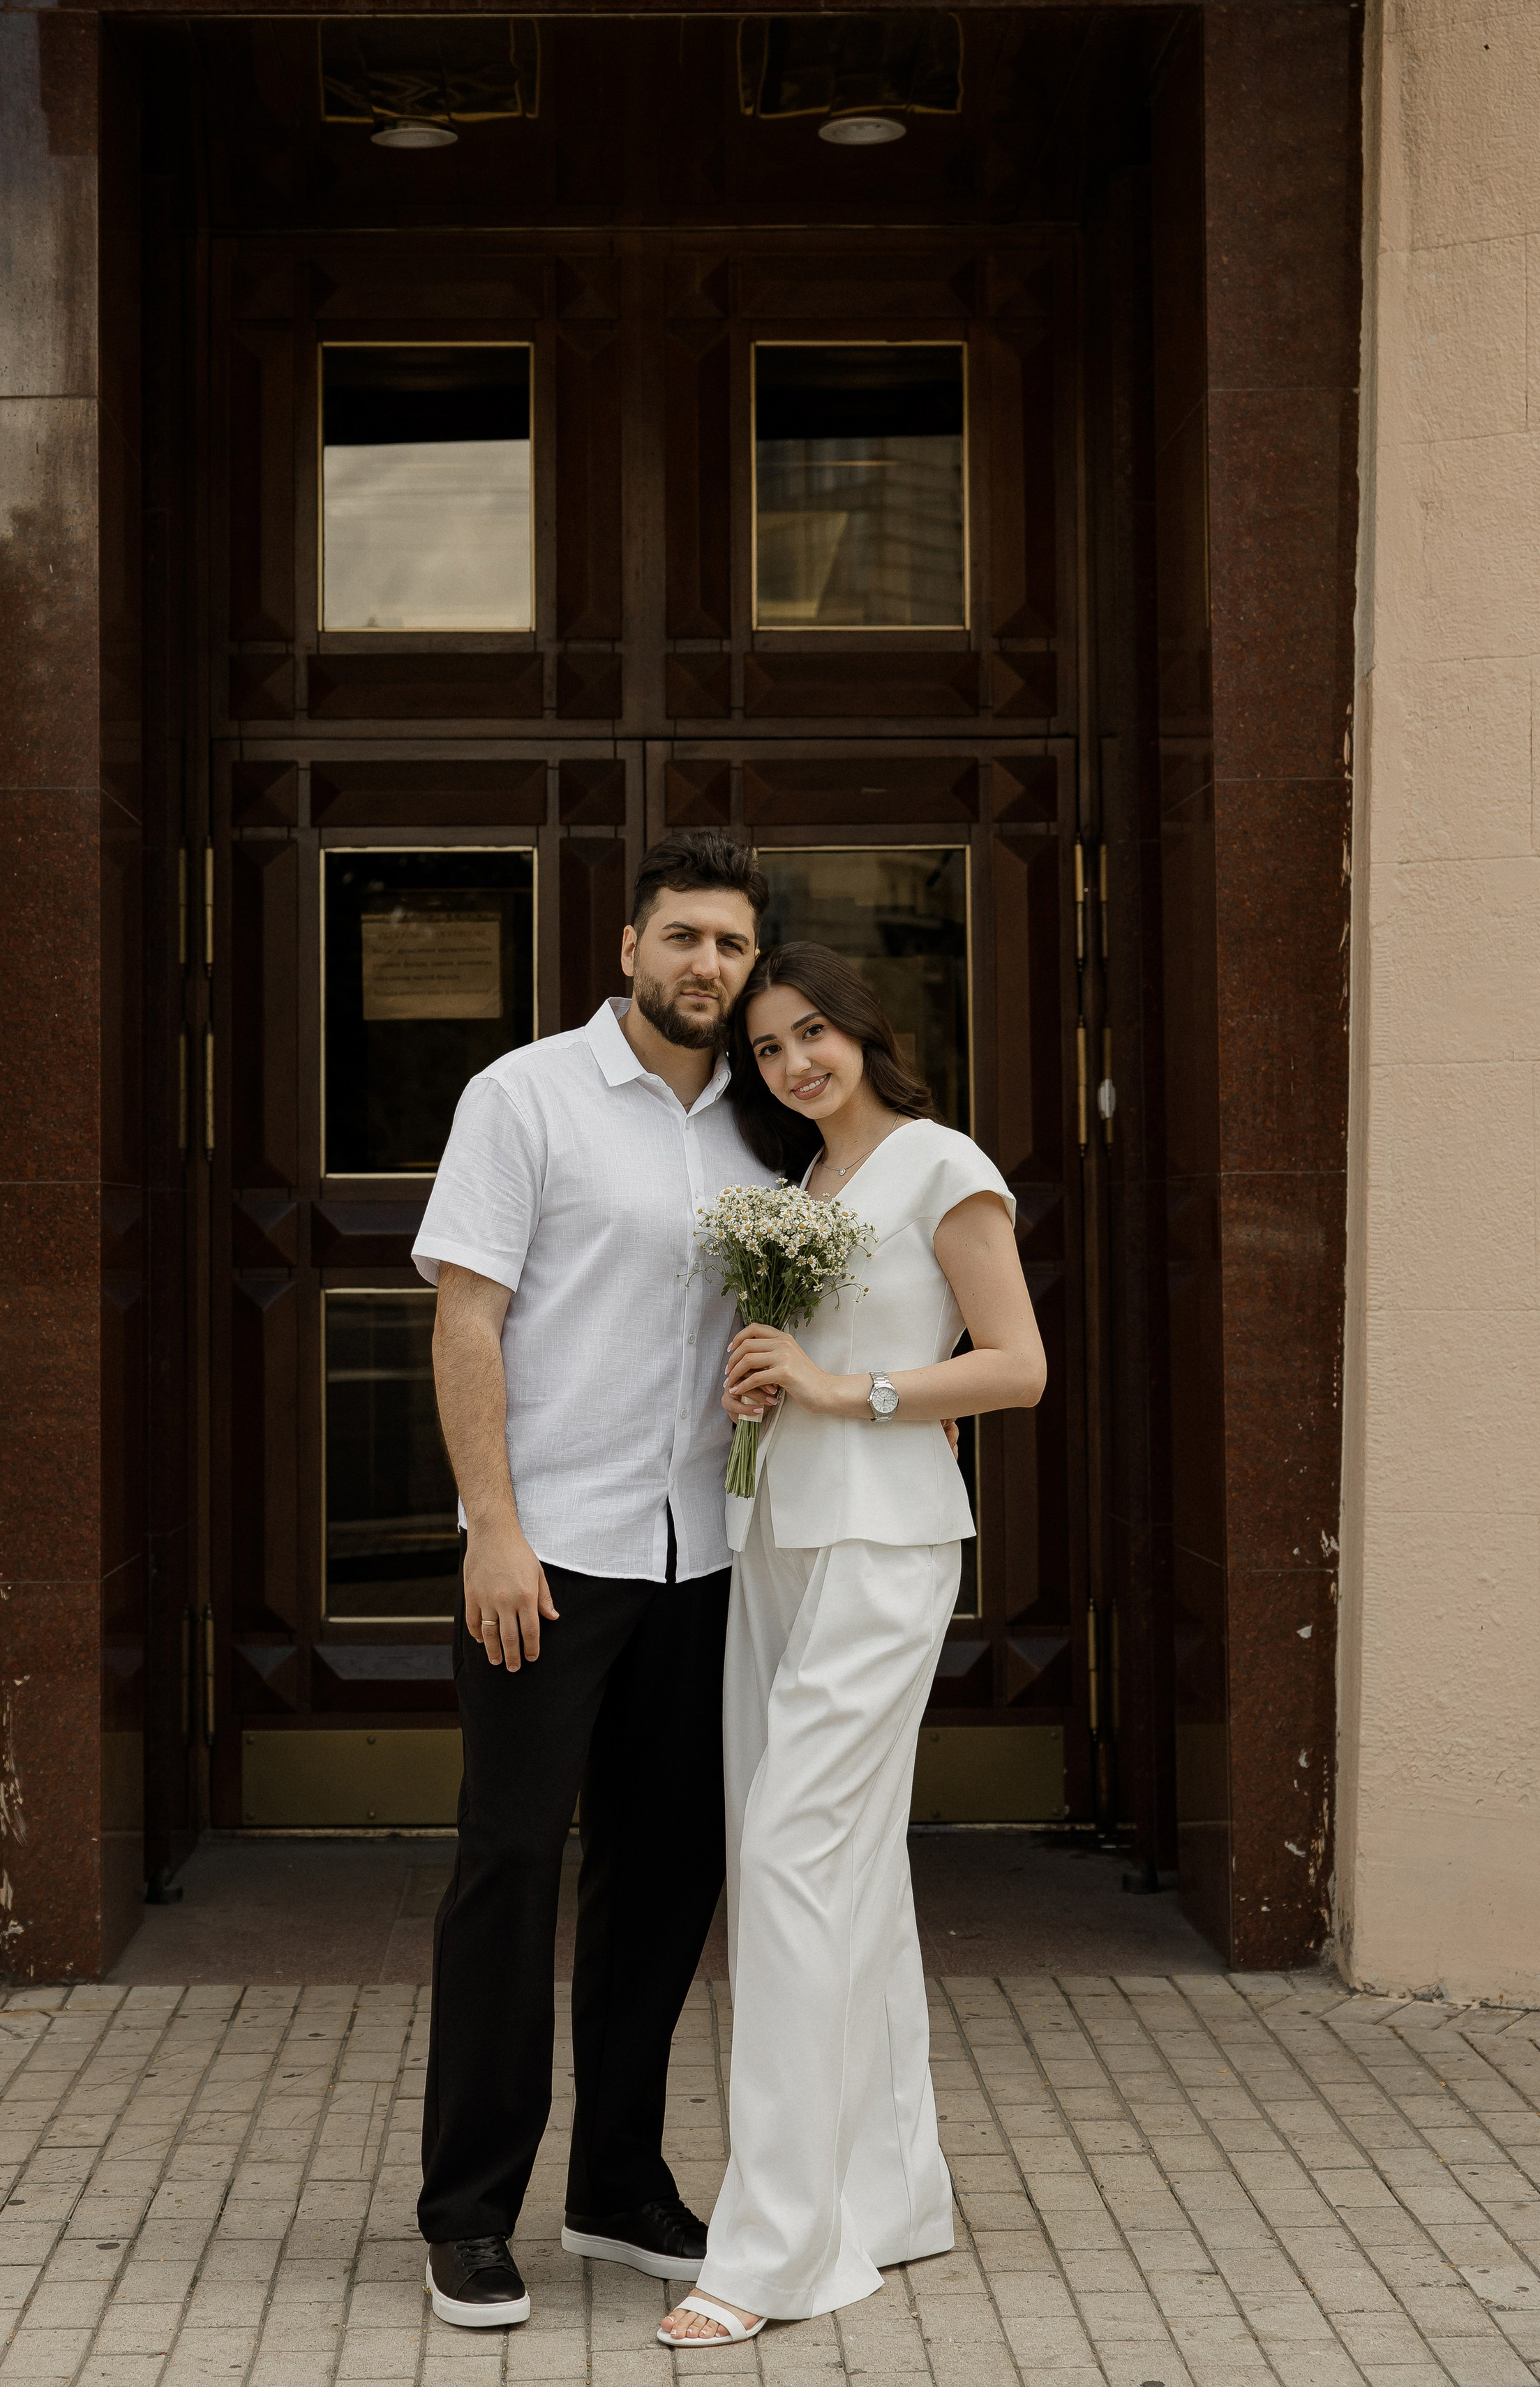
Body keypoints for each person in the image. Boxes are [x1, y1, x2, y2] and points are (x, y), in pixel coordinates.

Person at [657, 941, 1048, 2349]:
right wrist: (764, 1380)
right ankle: (887, 2197)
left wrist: (845, 1388)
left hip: (884, 1546)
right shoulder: (798, 1189)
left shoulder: (944, 1167)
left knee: (784, 1862)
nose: (792, 1062)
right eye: (766, 1048)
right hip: (774, 1540)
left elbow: (1015, 1364)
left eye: (811, 1031)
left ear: (864, 1029)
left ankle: (770, 2255)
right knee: (849, 1869)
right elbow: (806, 1364)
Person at [410, 828, 778, 2329]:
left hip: (704, 1552)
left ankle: (618, 2180)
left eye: (732, 947)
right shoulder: (524, 1096)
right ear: (625, 948)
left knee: (665, 1873)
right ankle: (468, 2208)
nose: (706, 966)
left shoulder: (766, 1121)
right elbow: (466, 1317)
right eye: (682, 937)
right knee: (508, 1868)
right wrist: (489, 1523)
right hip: (549, 1551)